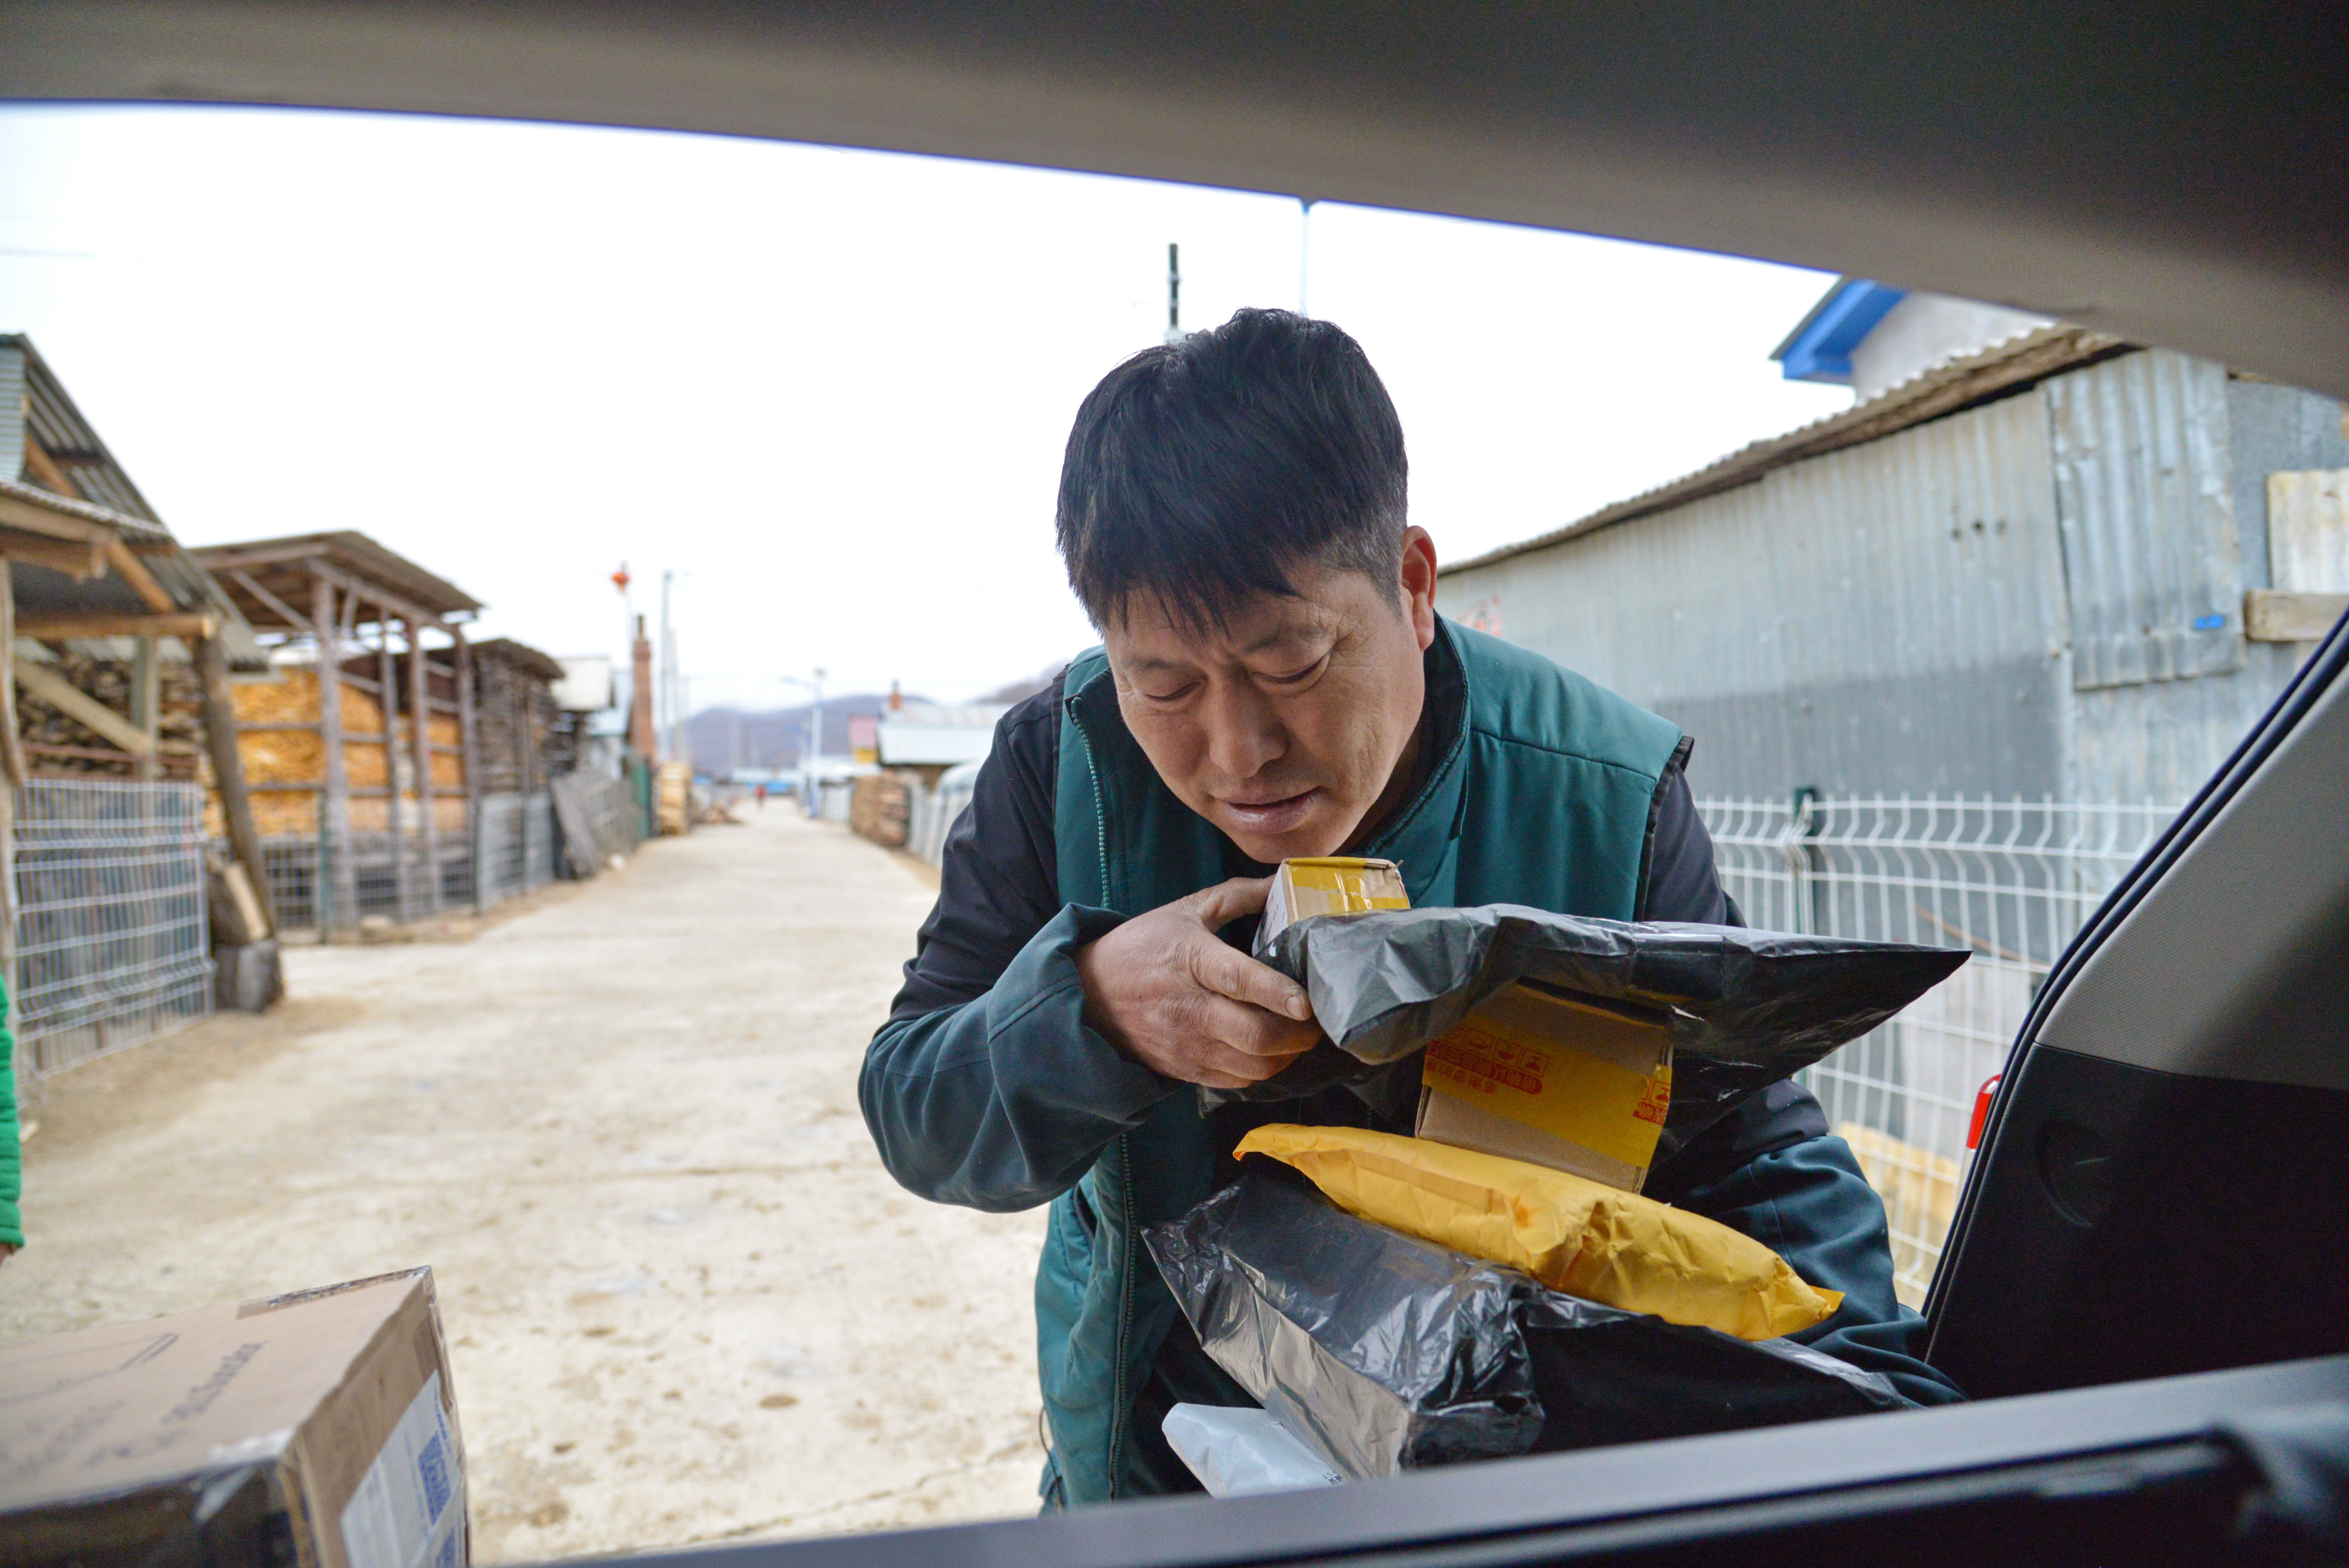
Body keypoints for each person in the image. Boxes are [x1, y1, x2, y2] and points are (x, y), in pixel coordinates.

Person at [861, 308, 1958, 1509]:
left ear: (1415, 585)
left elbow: (1751, 1142)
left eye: (1294, 663)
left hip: (1510, 1470)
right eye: (1163, 682)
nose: (1239, 751)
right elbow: (915, 1105)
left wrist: (1870, 1423)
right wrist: (1091, 1016)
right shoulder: (1060, 765)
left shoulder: (1602, 791)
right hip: (1154, 1469)